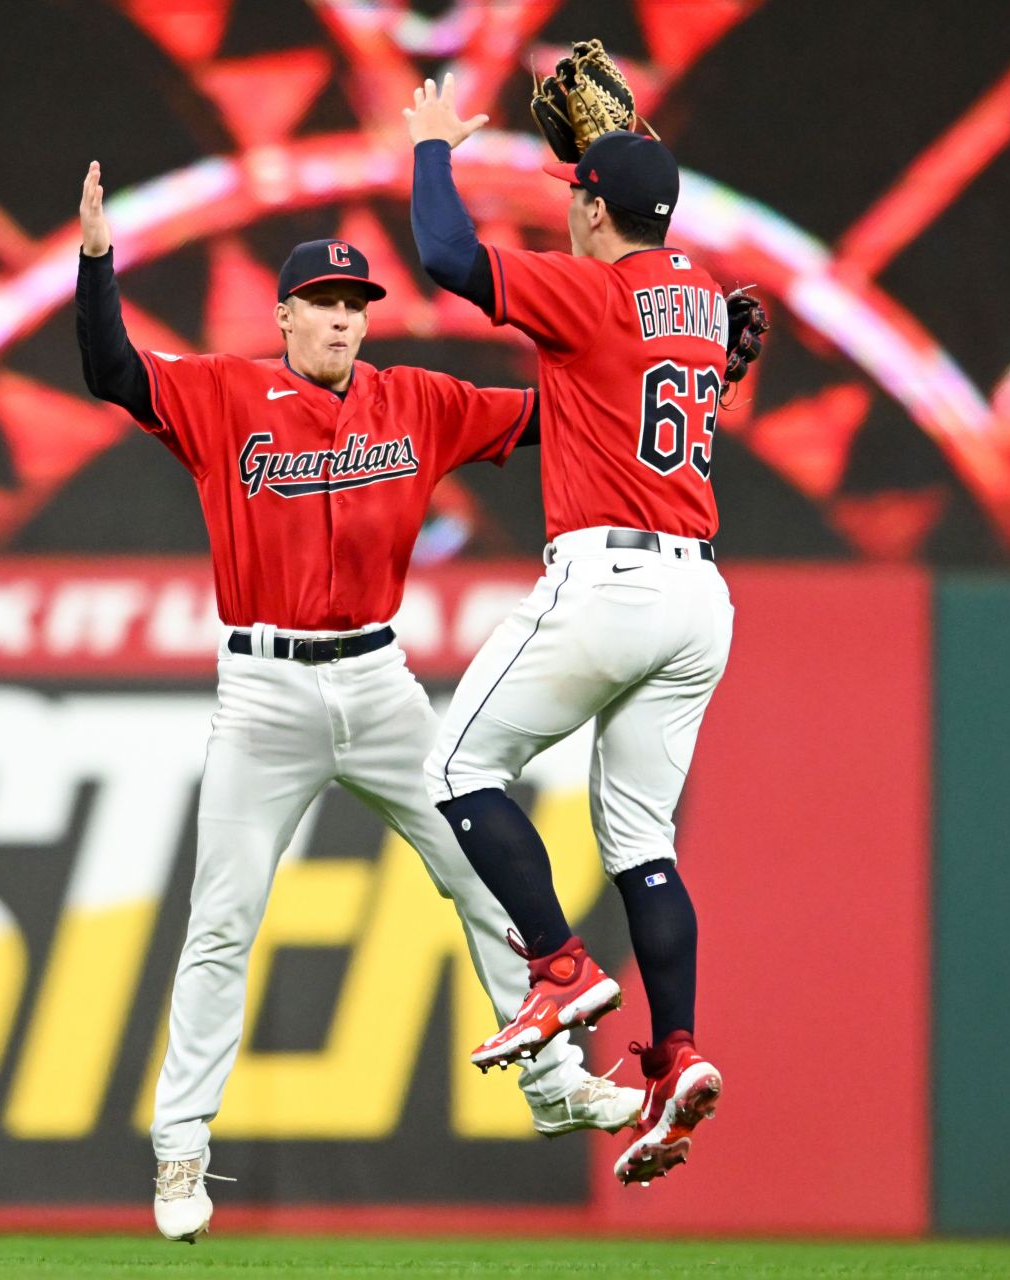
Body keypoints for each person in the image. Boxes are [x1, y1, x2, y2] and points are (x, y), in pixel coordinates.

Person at [74, 161, 641, 1242]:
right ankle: (180, 1150)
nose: (343, 322)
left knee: (482, 881)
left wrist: (660, 367)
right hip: (266, 688)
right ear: (282, 314)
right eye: (325, 305)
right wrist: (99, 261)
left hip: (382, 684)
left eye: (355, 305)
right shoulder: (222, 392)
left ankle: (555, 1081)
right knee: (222, 921)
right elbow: (111, 370)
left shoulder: (415, 398)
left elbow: (553, 415)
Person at [404, 75, 762, 1186]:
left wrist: (429, 151)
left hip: (611, 574)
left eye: (576, 194)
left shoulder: (596, 293)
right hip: (701, 597)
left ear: (597, 210)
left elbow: (449, 257)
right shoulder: (702, 299)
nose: (567, 207)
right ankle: (677, 1052)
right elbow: (707, 335)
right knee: (642, 844)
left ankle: (559, 966)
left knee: (459, 765)